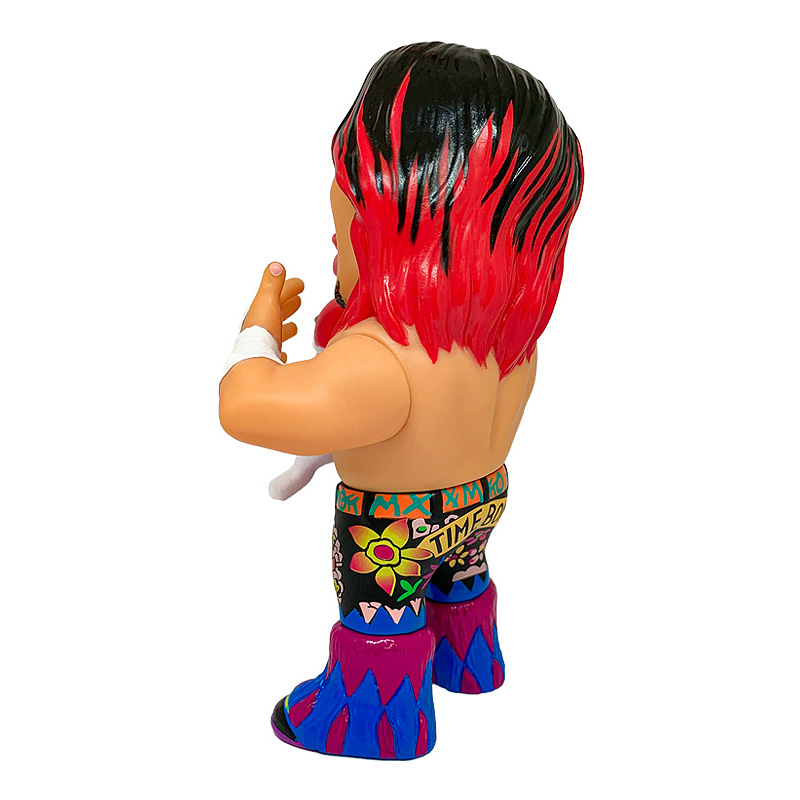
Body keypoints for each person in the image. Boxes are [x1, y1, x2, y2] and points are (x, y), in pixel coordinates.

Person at [219, 42, 583, 759]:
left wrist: (256, 331)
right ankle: (467, 659)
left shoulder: (381, 357)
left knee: (380, 619)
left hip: (392, 532)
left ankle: (374, 719)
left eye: (346, 185)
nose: (333, 206)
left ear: (399, 204)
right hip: (479, 503)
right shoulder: (508, 345)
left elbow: (244, 406)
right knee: (459, 581)